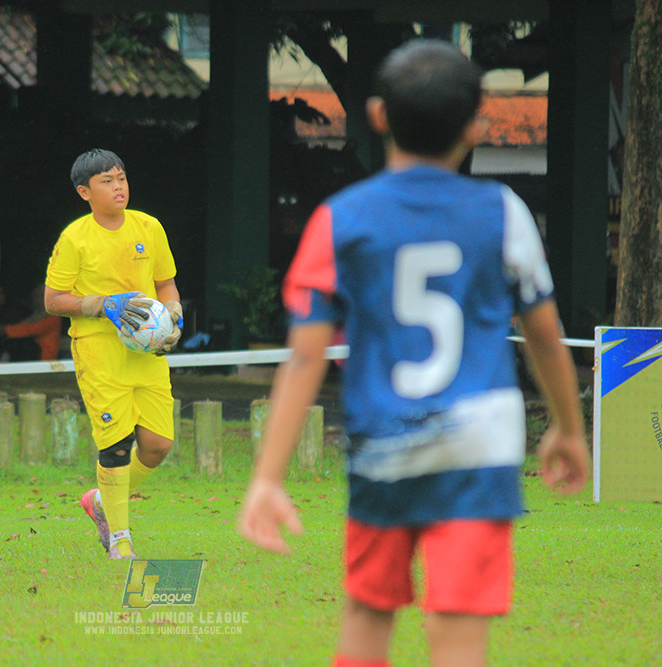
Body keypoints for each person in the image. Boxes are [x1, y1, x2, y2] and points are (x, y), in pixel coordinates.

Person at [238, 40, 590, 667]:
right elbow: (543, 334)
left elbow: (304, 358)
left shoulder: (340, 219)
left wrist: (268, 476)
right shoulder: (503, 213)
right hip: (480, 445)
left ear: (376, 116)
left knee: (369, 615)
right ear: (475, 126)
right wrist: (567, 427)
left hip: (385, 444)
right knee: (457, 632)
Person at [45, 148, 183, 559]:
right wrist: (99, 304)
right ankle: (121, 540)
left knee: (158, 445)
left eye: (121, 177)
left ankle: (102, 501)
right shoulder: (75, 238)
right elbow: (53, 300)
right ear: (84, 192)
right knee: (117, 441)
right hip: (99, 352)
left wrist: (172, 316)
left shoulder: (149, 227)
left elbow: (167, 283)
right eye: (107, 181)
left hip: (148, 352)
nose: (118, 186)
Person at [0, 284, 62, 361]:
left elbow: (32, 330)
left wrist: (5, 330)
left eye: (42, 296)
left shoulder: (54, 317)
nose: (38, 299)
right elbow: (21, 327)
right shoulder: (34, 315)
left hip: (44, 359)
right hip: (30, 357)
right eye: (36, 296)